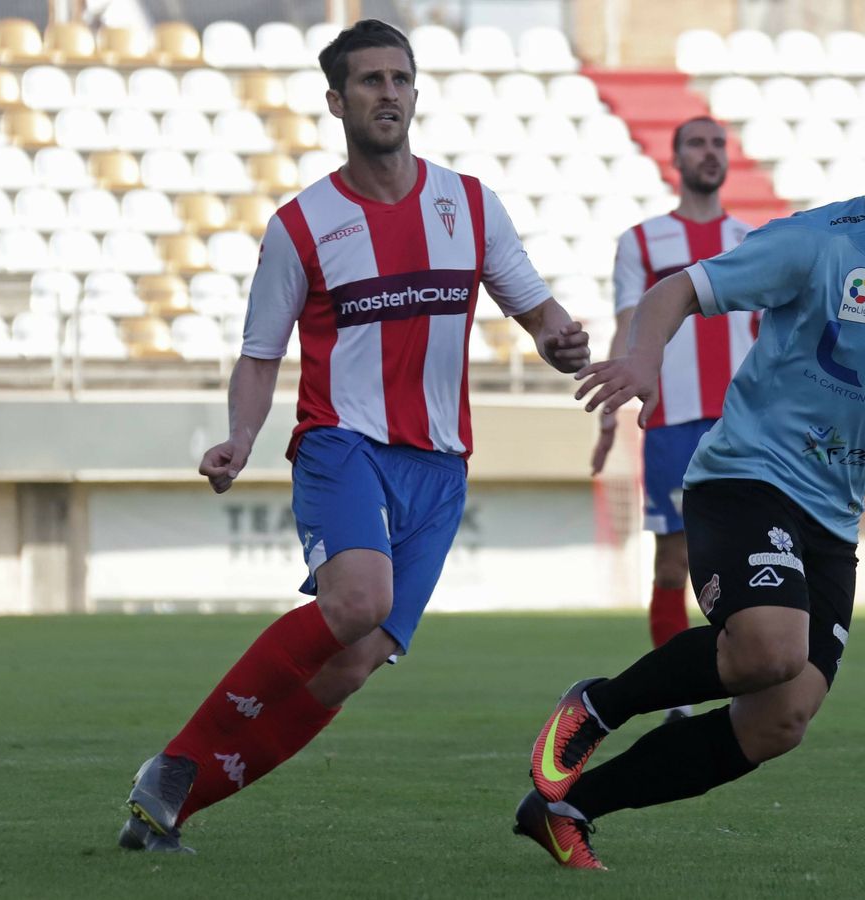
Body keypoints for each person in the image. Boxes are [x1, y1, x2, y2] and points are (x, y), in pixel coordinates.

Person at [513, 75, 865, 870]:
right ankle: (599, 705)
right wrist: (642, 360)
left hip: (833, 514)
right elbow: (678, 290)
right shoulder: (820, 242)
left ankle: (566, 808)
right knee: (768, 650)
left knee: (781, 717)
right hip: (746, 476)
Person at [116, 19, 590, 854]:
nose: (388, 93)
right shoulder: (301, 226)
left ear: (416, 93)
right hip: (344, 444)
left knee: (351, 662)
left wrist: (561, 341)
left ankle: (166, 806)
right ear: (336, 102)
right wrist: (240, 438)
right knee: (358, 602)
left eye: (400, 78)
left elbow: (538, 311)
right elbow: (260, 354)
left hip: (440, 467)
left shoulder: (470, 205)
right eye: (370, 80)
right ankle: (178, 761)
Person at [590, 116, 754, 720]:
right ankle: (677, 699)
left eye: (718, 144)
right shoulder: (642, 241)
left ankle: (751, 673)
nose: (710, 153)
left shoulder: (751, 240)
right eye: (697, 144)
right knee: (672, 564)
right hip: (672, 423)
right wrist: (611, 408)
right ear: (676, 158)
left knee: (749, 557)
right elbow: (627, 324)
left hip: (742, 428)